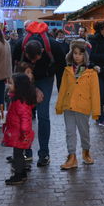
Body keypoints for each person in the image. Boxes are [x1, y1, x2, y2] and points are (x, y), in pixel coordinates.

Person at [12, 21, 66, 167]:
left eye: (35, 59)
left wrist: (62, 93)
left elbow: (62, 71)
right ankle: (26, 151)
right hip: (25, 78)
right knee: (25, 114)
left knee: (43, 115)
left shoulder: (53, 46)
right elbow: (15, 70)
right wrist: (29, 89)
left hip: (46, 78)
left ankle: (44, 153)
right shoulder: (19, 46)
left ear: (42, 51)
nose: (33, 62)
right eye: (30, 59)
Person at [56, 39, 101, 169]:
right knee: (70, 132)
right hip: (68, 106)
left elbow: (95, 93)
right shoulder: (67, 70)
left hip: (83, 107)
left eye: (80, 53)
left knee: (84, 131)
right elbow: (63, 89)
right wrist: (59, 105)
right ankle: (71, 157)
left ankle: (86, 151)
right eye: (75, 53)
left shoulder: (91, 72)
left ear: (85, 55)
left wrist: (96, 111)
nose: (77, 56)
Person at [3, 73, 36, 185]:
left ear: (19, 86)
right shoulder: (16, 99)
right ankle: (22, 173)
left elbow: (25, 119)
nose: (8, 85)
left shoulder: (20, 102)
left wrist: (24, 133)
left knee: (17, 155)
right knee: (19, 154)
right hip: (18, 133)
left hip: (21, 135)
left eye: (11, 83)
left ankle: (18, 175)